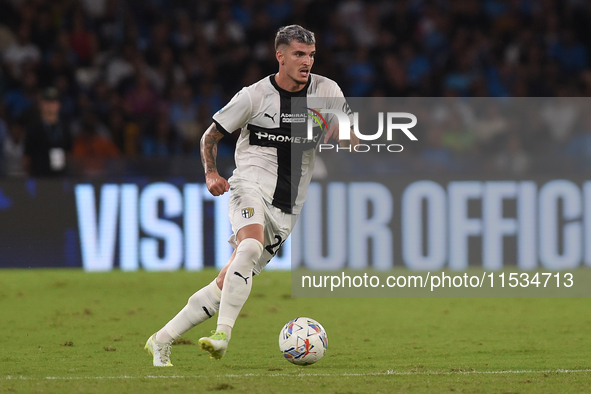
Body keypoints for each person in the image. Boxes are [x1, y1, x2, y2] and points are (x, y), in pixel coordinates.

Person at [145, 24, 357, 366]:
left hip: (287, 208)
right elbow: (209, 137)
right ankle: (222, 335)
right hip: (249, 187)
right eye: (299, 54)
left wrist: (343, 135)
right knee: (250, 246)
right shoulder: (253, 96)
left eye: (312, 55)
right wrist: (211, 173)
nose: (307, 62)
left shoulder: (328, 91)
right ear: (281, 56)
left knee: (227, 281)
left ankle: (161, 339)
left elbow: (352, 137)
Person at [23, 87, 72, 177]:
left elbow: (69, 153)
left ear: (58, 105)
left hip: (60, 176)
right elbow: (27, 157)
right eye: (46, 102)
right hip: (39, 177)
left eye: (53, 102)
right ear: (41, 105)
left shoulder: (64, 128)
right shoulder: (34, 129)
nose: (50, 106)